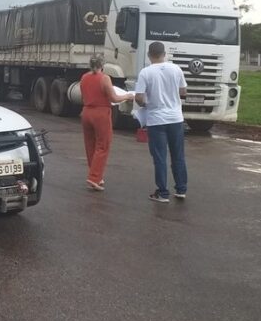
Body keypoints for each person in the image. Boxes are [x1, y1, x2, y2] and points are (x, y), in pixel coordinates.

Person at [134, 41, 188, 203]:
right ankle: (181, 189)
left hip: (156, 120)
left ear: (150, 55)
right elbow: (183, 92)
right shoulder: (176, 69)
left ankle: (163, 193)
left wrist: (146, 104)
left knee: (159, 157)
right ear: (164, 54)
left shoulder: (145, 72)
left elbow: (138, 97)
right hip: (176, 118)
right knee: (178, 155)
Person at [80, 55, 134, 191]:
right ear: (102, 65)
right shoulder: (104, 78)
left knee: (90, 144)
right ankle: (94, 177)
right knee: (103, 145)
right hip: (101, 113)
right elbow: (114, 98)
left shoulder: (84, 77)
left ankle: (95, 174)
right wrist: (128, 96)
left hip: (86, 112)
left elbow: (83, 96)